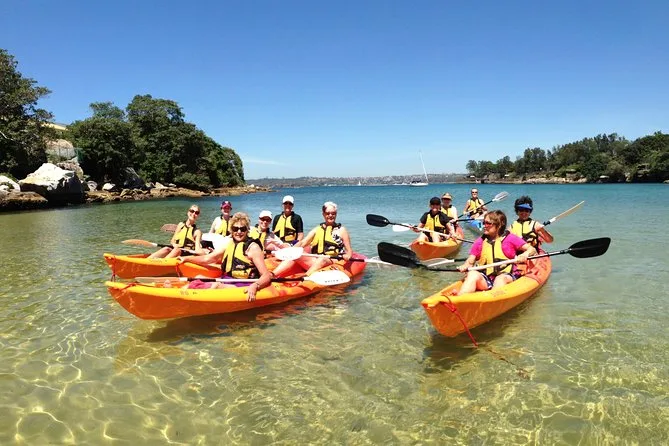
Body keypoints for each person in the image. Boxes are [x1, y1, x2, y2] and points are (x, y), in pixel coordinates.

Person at [180, 212, 271, 301]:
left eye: (242, 229)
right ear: (231, 230)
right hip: (227, 280)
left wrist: (255, 286)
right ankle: (179, 296)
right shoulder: (229, 243)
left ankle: (193, 301)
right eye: (235, 229)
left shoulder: (253, 248)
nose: (239, 232)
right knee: (198, 277)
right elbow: (208, 258)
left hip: (243, 284)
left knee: (216, 286)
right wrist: (187, 258)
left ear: (247, 230)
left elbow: (266, 275)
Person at [454, 210, 537, 295]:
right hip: (486, 278)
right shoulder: (480, 241)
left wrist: (525, 254)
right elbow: (470, 261)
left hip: (506, 276)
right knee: (472, 274)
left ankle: (492, 299)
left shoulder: (510, 238)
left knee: (500, 278)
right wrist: (465, 266)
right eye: (483, 223)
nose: (484, 226)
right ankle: (460, 297)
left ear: (500, 225)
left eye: (488, 223)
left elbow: (532, 249)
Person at [272, 201, 352, 277]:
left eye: (333, 213)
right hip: (314, 261)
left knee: (322, 259)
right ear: (323, 214)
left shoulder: (342, 230)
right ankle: (272, 275)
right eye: (328, 213)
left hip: (331, 261)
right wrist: (290, 250)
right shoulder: (317, 229)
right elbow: (303, 243)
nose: (330, 215)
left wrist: (347, 255)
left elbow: (349, 251)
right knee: (295, 253)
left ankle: (306, 277)